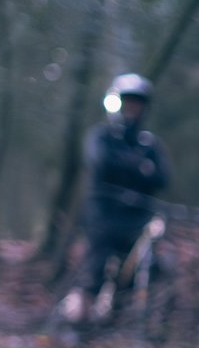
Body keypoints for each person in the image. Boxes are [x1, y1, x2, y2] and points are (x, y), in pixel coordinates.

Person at [72, 73, 169, 322]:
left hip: (137, 220)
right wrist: (139, 166)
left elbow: (162, 178)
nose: (133, 108)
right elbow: (101, 164)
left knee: (146, 267)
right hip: (103, 218)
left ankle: (122, 318)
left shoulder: (150, 143)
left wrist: (131, 165)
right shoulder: (101, 136)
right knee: (94, 270)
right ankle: (78, 322)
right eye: (128, 102)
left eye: (138, 103)